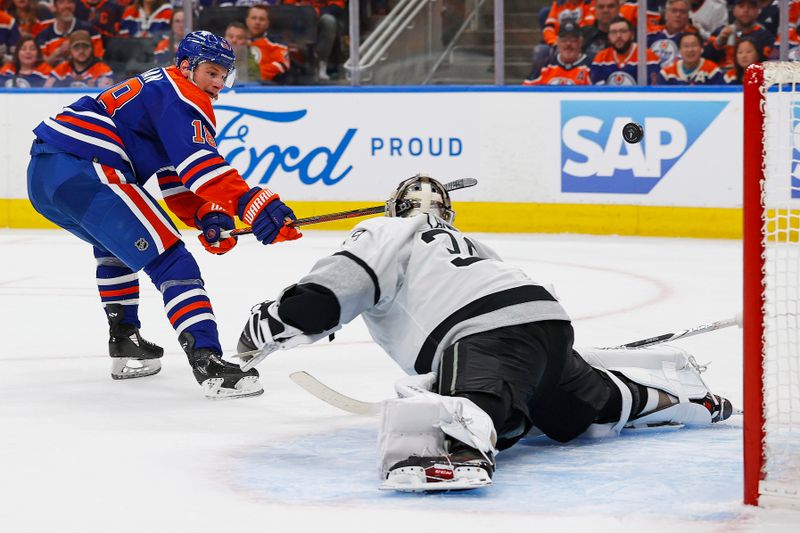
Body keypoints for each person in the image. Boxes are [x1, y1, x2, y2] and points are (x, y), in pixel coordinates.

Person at [236, 174, 736, 491]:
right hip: (545, 322)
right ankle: (678, 400)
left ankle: (464, 444)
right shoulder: (468, 242)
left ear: (393, 210)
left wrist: (265, 326)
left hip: (481, 334)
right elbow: (514, 307)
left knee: (476, 400)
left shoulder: (384, 231)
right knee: (583, 408)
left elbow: (323, 300)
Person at [27, 30, 302, 399]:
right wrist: (254, 204)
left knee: (119, 249)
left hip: (45, 176)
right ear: (187, 67)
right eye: (211, 72)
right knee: (173, 260)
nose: (218, 84)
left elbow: (176, 177)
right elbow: (201, 167)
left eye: (224, 75)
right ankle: (208, 362)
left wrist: (207, 214)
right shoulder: (185, 95)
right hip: (86, 168)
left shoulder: (161, 87)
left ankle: (125, 342)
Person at [591, 16, 661, 85]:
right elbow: (599, 91)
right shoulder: (601, 58)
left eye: (623, 31)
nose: (618, 35)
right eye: (613, 32)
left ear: (632, 35)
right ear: (608, 37)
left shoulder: (647, 56)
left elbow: (652, 89)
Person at [704, 0, 773, 70]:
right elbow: (704, 58)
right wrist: (718, 42)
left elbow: (769, 64)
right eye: (741, 6)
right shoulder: (720, 32)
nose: (746, 10)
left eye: (751, 7)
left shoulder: (765, 36)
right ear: (734, 10)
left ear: (758, 11)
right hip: (720, 75)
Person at [523, 20, 591, 85]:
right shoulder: (546, 66)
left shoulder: (591, 67)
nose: (568, 44)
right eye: (564, 40)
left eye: (573, 40)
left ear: (581, 42)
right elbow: (525, 90)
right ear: (557, 42)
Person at [36, 0, 103, 65]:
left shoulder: (89, 30)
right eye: (61, 2)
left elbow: (99, 60)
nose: (66, 6)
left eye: (70, 2)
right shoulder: (44, 35)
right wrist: (58, 52)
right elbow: (40, 68)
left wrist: (79, 50)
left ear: (75, 6)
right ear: (54, 7)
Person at [44, 29, 113, 87]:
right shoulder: (60, 70)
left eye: (85, 46)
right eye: (76, 47)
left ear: (92, 48)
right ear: (70, 50)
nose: (81, 51)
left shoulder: (103, 70)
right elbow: (46, 92)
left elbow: (105, 96)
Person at [244, 5, 289, 83]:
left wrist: (251, 75)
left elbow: (282, 65)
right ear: (247, 21)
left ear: (267, 23)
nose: (257, 22)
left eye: (262, 19)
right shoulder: (236, 40)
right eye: (254, 18)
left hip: (267, 89)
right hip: (236, 89)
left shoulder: (277, 43)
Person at [657, 32, 724, 84]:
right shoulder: (667, 74)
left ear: (701, 48)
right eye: (686, 46)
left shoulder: (713, 71)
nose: (690, 50)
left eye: (694, 45)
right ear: (679, 50)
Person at [647, 0, 697, 67]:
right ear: (666, 15)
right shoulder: (650, 34)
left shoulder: (693, 38)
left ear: (688, 16)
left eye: (682, 12)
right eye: (674, 11)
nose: (678, 15)